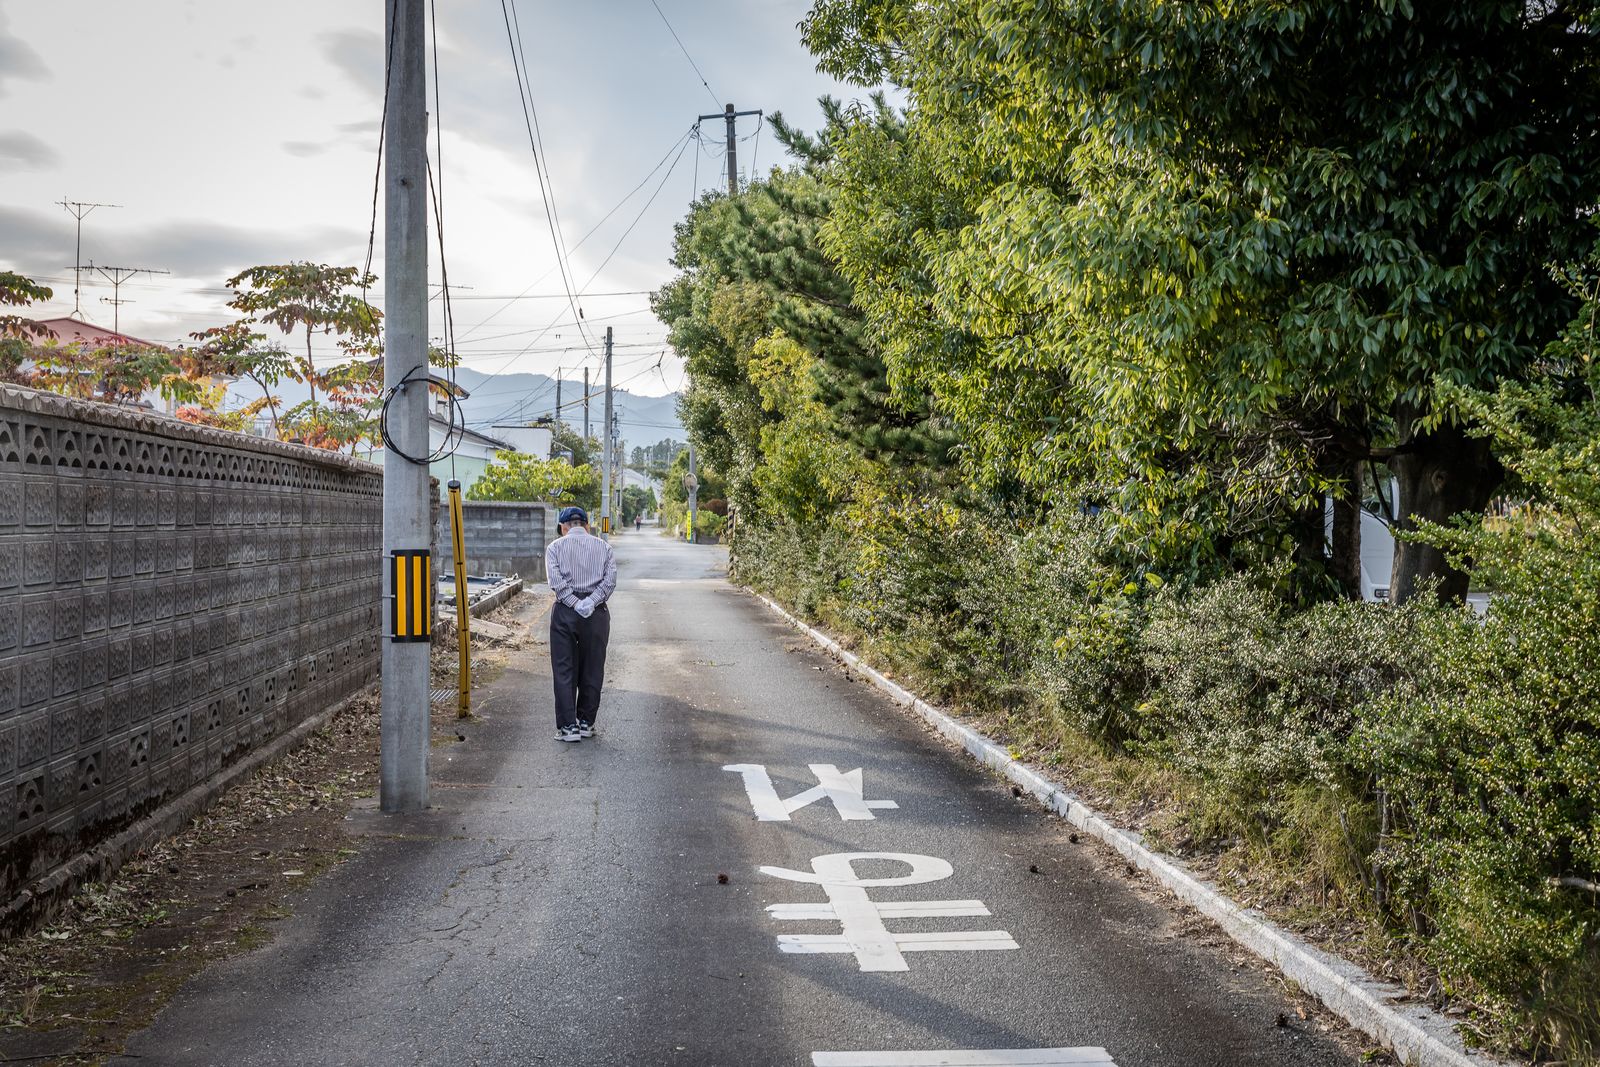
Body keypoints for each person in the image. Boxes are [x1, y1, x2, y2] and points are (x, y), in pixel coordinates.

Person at [544, 506, 617, 743]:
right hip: (596, 613)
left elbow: (556, 582)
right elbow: (610, 581)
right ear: (586, 525)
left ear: (563, 527)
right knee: (593, 667)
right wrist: (591, 602)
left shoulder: (554, 548)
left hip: (565, 611)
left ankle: (568, 727)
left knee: (564, 668)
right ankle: (586, 722)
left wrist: (574, 603)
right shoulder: (604, 547)